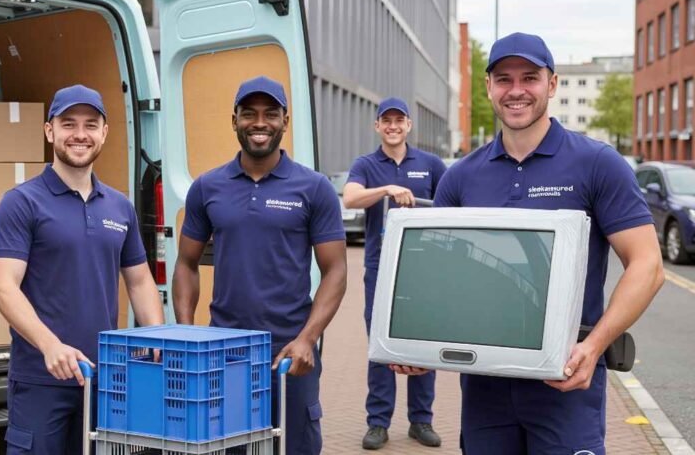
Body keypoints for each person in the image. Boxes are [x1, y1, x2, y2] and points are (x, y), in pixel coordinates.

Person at [400, 32, 664, 454]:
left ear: (552, 84)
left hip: (566, 382)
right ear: (489, 87)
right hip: (484, 387)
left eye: (530, 78)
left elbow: (647, 266)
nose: (516, 90)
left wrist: (594, 347)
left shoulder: (597, 163)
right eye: (504, 79)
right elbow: (436, 275)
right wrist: (416, 343)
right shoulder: (461, 177)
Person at [172, 76, 348, 455]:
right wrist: (187, 334)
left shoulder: (314, 188)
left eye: (270, 113)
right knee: (228, 447)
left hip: (290, 355)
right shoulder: (207, 187)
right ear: (234, 120)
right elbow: (186, 263)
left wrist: (308, 339)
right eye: (249, 113)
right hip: (224, 354)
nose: (259, 122)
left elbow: (335, 271)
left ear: (286, 121)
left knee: (296, 447)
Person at [0, 84, 164, 455]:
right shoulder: (21, 203)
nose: (80, 134)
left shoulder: (120, 207)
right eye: (68, 124)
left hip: (105, 379)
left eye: (90, 125)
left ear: (104, 133)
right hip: (41, 378)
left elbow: (139, 282)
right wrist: (50, 345)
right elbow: (4, 287)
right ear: (49, 131)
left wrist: (158, 342)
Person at [342, 97, 446, 450]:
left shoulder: (431, 164)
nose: (392, 126)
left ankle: (421, 420)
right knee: (380, 346)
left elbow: (452, 204)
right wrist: (386, 189)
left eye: (399, 120)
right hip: (381, 268)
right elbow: (350, 198)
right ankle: (378, 423)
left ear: (408, 125)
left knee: (423, 344)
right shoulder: (366, 164)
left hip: (426, 270)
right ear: (377, 126)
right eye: (386, 121)